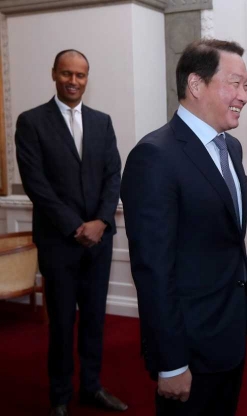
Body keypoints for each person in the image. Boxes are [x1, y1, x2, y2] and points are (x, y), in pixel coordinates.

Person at [121, 39, 247, 416]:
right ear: (196, 85)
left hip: (229, 333)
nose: (244, 96)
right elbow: (152, 270)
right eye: (235, 83)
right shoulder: (154, 157)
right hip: (189, 344)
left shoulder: (231, 148)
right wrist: (171, 362)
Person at [15, 50, 127, 416]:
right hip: (58, 243)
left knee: (95, 320)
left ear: (87, 78)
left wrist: (100, 222)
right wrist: (74, 226)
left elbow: (114, 175)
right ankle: (60, 397)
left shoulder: (103, 122)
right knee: (62, 323)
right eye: (66, 73)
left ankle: (91, 387)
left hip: (99, 241)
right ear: (54, 75)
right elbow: (36, 184)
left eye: (80, 75)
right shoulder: (31, 122)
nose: (73, 81)